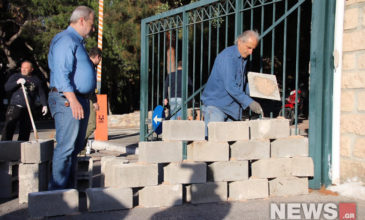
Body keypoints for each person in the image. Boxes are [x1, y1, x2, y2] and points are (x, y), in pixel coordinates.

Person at [47, 5, 95, 190]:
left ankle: (67, 193)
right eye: (91, 24)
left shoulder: (77, 42)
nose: (92, 29)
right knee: (66, 148)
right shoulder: (66, 40)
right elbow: (61, 73)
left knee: (74, 149)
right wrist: (73, 100)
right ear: (82, 20)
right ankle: (57, 197)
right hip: (68, 100)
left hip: (77, 99)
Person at [201, 30, 263, 136]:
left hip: (231, 109)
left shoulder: (242, 60)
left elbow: (240, 85)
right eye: (249, 47)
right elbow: (230, 86)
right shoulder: (228, 57)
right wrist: (249, 102)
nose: (251, 52)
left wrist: (258, 89)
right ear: (239, 41)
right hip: (216, 106)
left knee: (228, 147)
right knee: (213, 146)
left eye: (253, 49)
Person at [1, 60, 48, 141]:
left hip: (28, 108)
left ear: (31, 69)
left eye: (26, 68)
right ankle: (5, 146)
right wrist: (17, 82)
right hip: (15, 106)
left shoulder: (35, 80)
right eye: (22, 67)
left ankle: (22, 147)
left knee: (25, 130)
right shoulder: (15, 76)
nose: (23, 69)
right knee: (9, 127)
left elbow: (41, 93)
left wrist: (44, 105)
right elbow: (6, 88)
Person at [83, 47, 101, 153]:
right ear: (98, 57)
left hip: (84, 97)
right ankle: (78, 142)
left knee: (84, 125)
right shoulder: (89, 66)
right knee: (91, 124)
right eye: (100, 58)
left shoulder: (87, 65)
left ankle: (81, 148)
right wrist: (94, 101)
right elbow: (90, 85)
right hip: (87, 97)